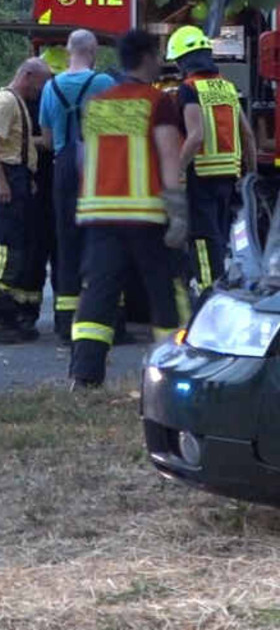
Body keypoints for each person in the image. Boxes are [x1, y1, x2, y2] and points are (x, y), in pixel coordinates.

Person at [70, 30, 189, 388]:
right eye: (158, 55)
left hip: (98, 214)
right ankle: (174, 371)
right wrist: (178, 211)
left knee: (98, 295)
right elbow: (169, 156)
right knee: (165, 293)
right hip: (145, 215)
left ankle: (84, 377)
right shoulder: (156, 102)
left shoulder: (98, 103)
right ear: (148, 57)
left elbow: (84, 159)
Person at [165, 26, 256, 297]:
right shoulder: (227, 87)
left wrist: (176, 171)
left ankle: (209, 297)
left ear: (183, 61)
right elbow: (248, 135)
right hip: (228, 177)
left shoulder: (189, 89)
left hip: (200, 176)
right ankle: (221, 289)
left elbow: (196, 137)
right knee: (219, 238)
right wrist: (250, 174)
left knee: (203, 241)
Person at [39, 30, 115, 341]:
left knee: (66, 242)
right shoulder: (104, 83)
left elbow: (46, 140)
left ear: (69, 50)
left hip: (63, 168)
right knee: (100, 241)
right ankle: (105, 319)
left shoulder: (50, 87)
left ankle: (64, 322)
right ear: (93, 51)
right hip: (96, 166)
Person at [0, 59, 52, 341]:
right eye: (41, 83)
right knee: (10, 252)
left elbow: (16, 144)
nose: (41, 90)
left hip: (19, 177)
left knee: (19, 249)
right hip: (9, 178)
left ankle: (9, 318)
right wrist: (3, 183)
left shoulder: (17, 103)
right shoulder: (6, 101)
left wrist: (28, 173)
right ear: (28, 76)